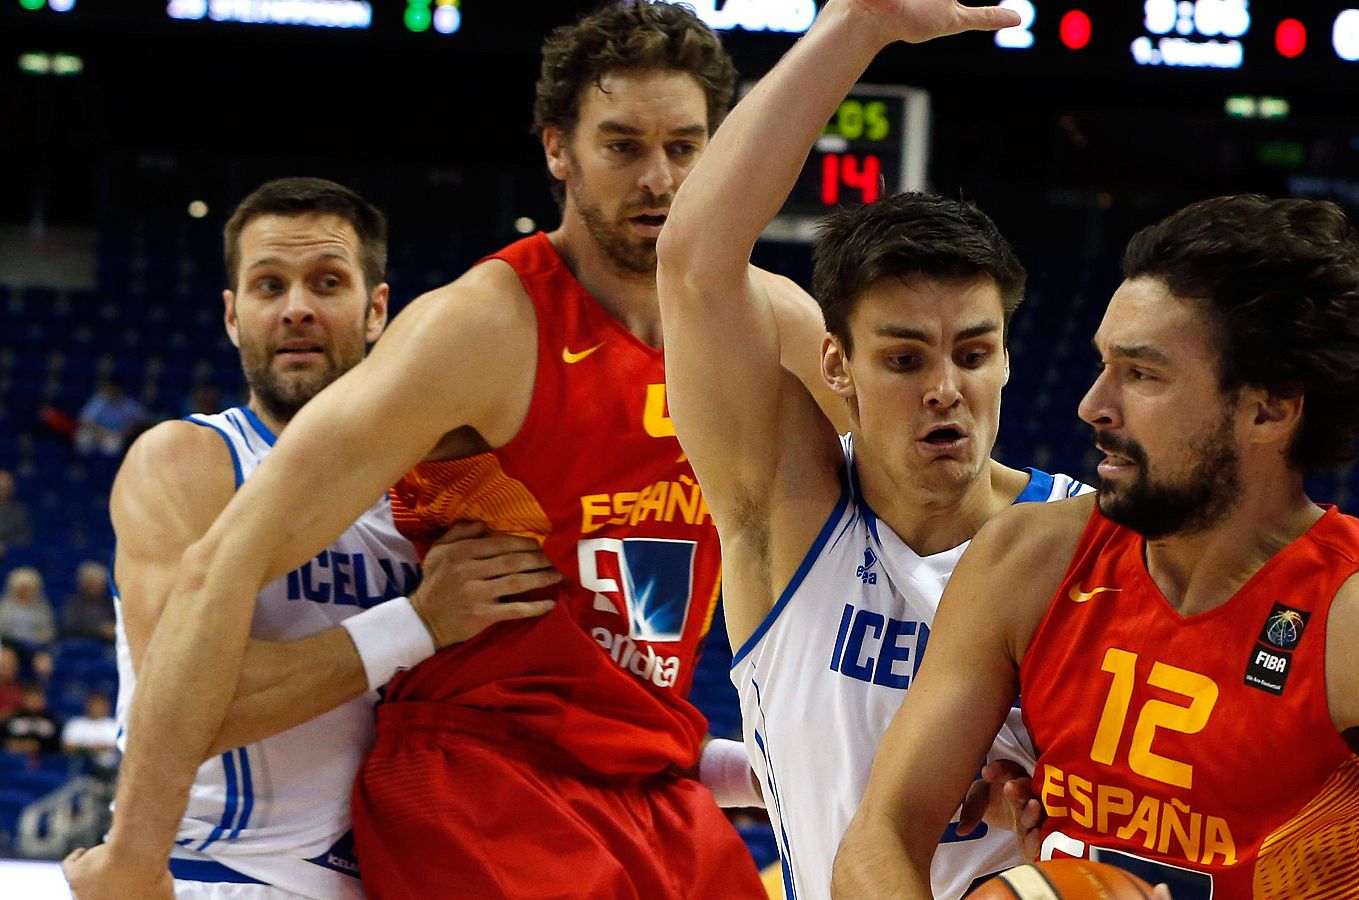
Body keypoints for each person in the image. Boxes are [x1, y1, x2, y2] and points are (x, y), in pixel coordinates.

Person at [67, 5, 830, 898]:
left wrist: (799, 766)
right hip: (296, 843)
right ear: (559, 151)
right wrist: (133, 855)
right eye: (622, 146)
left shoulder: (762, 328)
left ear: (376, 307)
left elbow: (601, 684)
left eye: (684, 148)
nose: (659, 179)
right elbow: (201, 633)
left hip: (626, 791)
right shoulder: (458, 346)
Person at [833, 97, 1359, 900]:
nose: (1094, 405)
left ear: (1267, 408)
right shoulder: (1029, 559)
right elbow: (880, 836)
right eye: (1102, 365)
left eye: (1143, 374)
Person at [655, 0, 1086, 895]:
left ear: (1007, 359)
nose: (944, 387)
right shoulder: (788, 506)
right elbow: (697, 259)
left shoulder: (1086, 537)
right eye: (902, 357)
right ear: (836, 364)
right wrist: (856, 26)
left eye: (973, 353)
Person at [64, 177, 559, 900]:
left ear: (376, 310)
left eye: (327, 282)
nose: (297, 308)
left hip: (403, 875)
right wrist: (419, 622)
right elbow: (183, 715)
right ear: (234, 317)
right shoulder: (187, 460)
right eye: (269, 286)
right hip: (218, 872)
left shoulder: (444, 486)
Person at [75, 379, 150, 456]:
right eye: (109, 391)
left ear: (119, 391)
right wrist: (100, 432)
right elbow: (85, 419)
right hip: (96, 431)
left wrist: (131, 428)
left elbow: (144, 420)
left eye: (114, 391)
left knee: (111, 447)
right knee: (84, 439)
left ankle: (106, 466)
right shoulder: (98, 401)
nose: (112, 393)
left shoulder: (128, 404)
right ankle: (82, 464)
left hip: (116, 433)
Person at [63, 691, 120, 773]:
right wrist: (92, 749)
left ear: (107, 706)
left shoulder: (115, 726)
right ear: (87, 705)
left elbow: (118, 747)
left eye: (100, 704)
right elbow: (66, 747)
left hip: (109, 769)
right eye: (94, 704)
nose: (96, 707)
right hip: (79, 769)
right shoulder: (75, 724)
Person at [61, 560, 118, 643]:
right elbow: (70, 625)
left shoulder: (108, 603)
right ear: (85, 584)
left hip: (106, 644)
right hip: (81, 642)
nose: (98, 588)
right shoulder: (73, 603)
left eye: (101, 584)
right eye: (94, 584)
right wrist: (99, 629)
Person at [0, 566, 55, 646]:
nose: (27, 592)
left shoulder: (42, 608)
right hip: (10, 646)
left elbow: (48, 632)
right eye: (24, 589)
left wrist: (37, 641)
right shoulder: (4, 607)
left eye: (30, 589)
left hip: (35, 647)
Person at [2, 684, 61, 757]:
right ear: (24, 700)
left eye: (36, 698)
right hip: (15, 759)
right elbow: (4, 740)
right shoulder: (13, 718)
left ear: (43, 700)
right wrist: (20, 745)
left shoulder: (52, 720)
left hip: (45, 760)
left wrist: (38, 745)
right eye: (30, 698)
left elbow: (57, 744)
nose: (33, 702)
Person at [0, 469, 33, 554]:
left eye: (5, 487)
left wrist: (6, 546)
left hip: (10, 555)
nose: (2, 491)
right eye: (1, 487)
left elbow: (24, 537)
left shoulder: (20, 511)